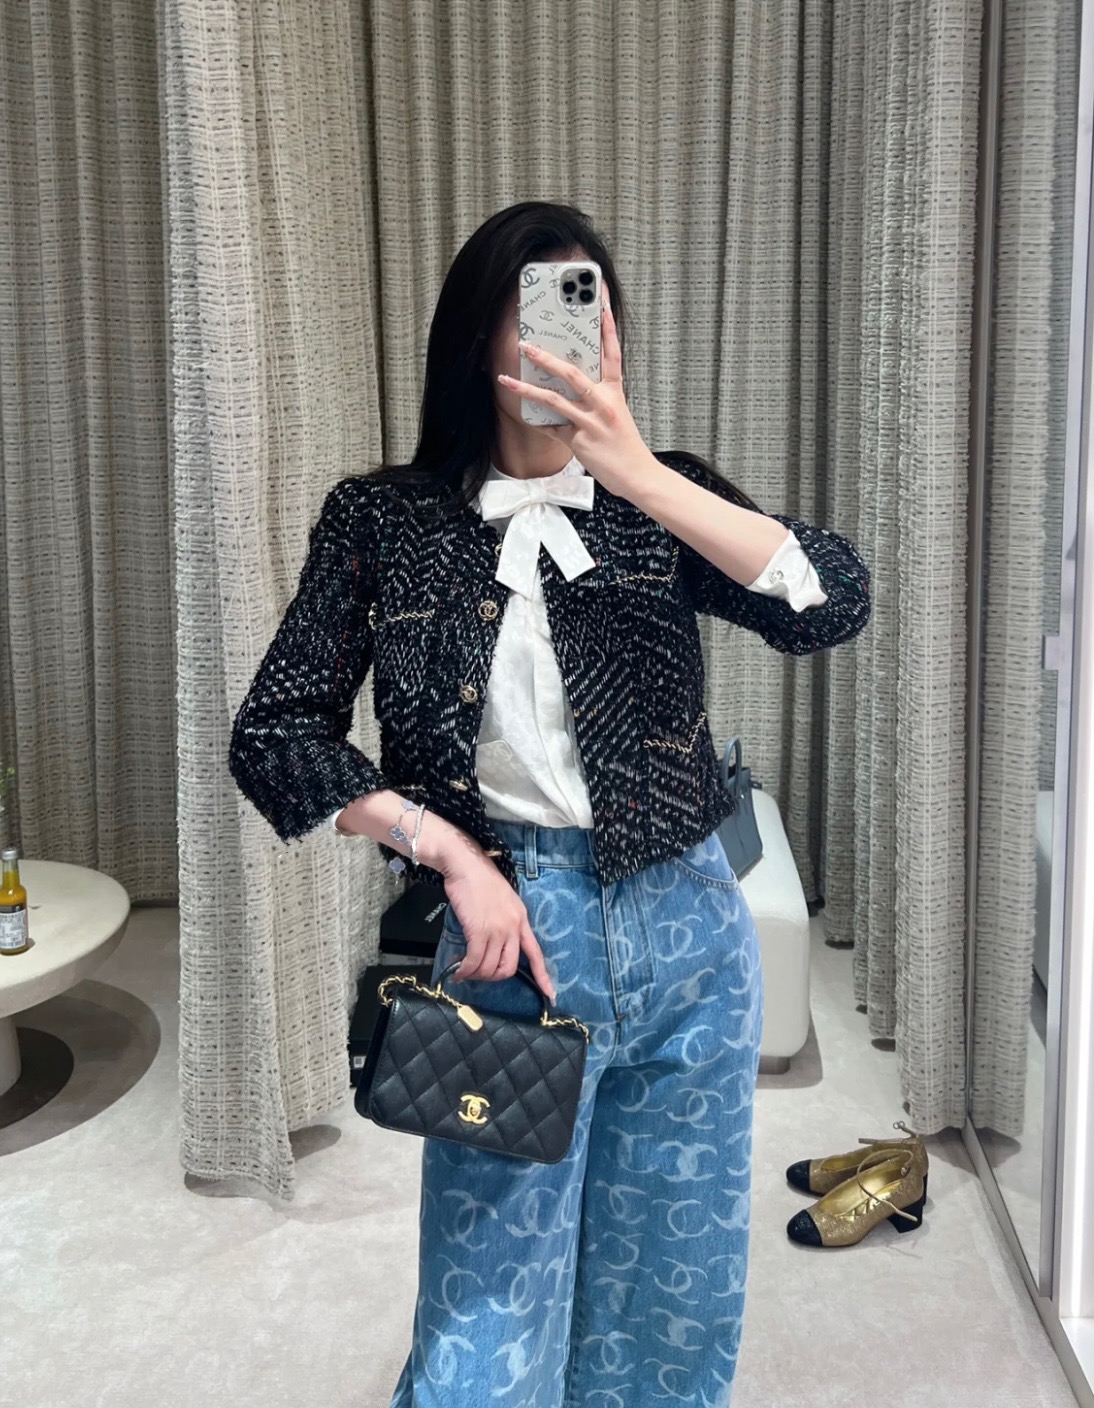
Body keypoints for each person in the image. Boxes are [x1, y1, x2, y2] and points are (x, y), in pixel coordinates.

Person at [228, 200, 871, 1407]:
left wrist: (636, 472)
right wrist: (443, 850)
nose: (562, 341)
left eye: (586, 309)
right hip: (511, 940)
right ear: (478, 338)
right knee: (487, 1303)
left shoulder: (663, 500)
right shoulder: (382, 519)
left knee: (669, 1289)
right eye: (532, 314)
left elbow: (830, 600)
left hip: (689, 931)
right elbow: (273, 734)